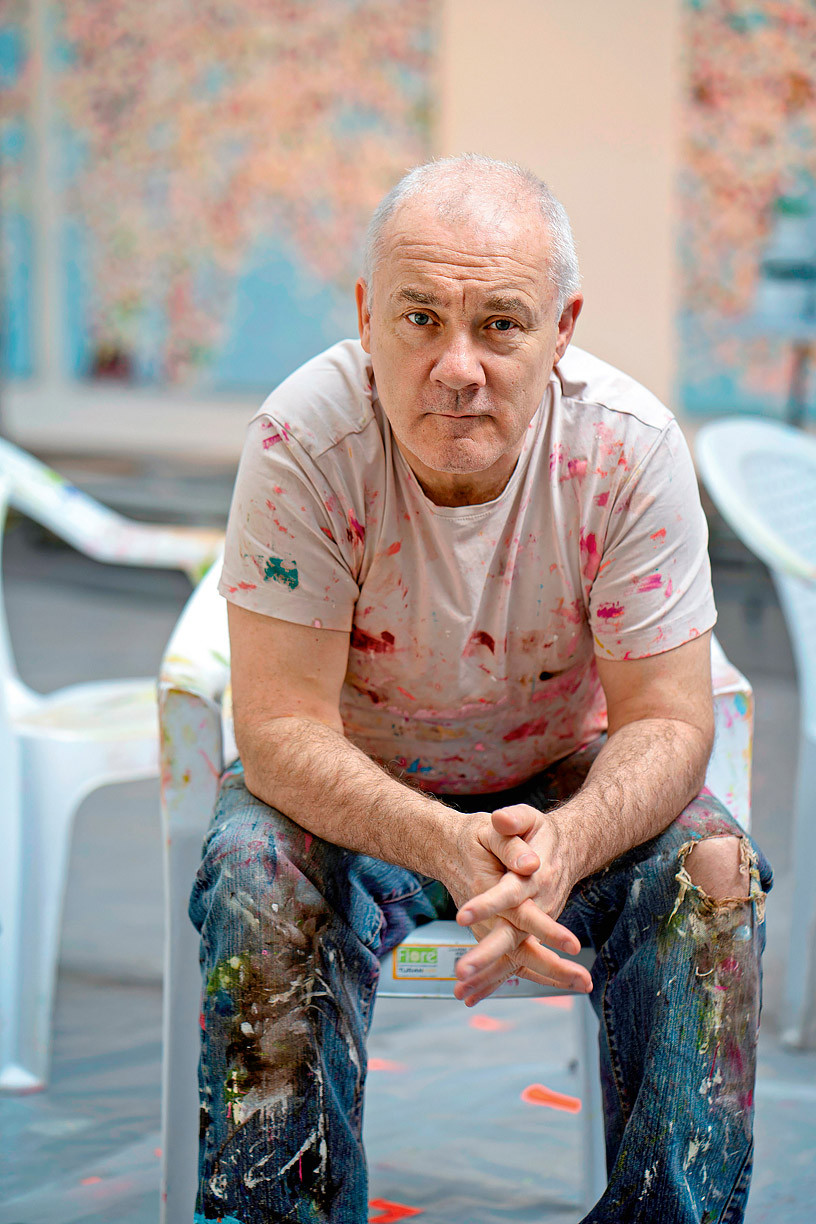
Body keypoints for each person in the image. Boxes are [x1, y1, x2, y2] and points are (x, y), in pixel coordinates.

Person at [190, 154, 772, 1224]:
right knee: (254, 871)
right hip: (356, 785)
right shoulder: (302, 441)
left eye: (501, 324)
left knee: (714, 871)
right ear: (367, 316)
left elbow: (669, 715)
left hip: (562, 776)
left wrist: (567, 845)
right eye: (420, 319)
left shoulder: (629, 449)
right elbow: (276, 729)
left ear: (563, 329)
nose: (457, 368)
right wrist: (447, 843)